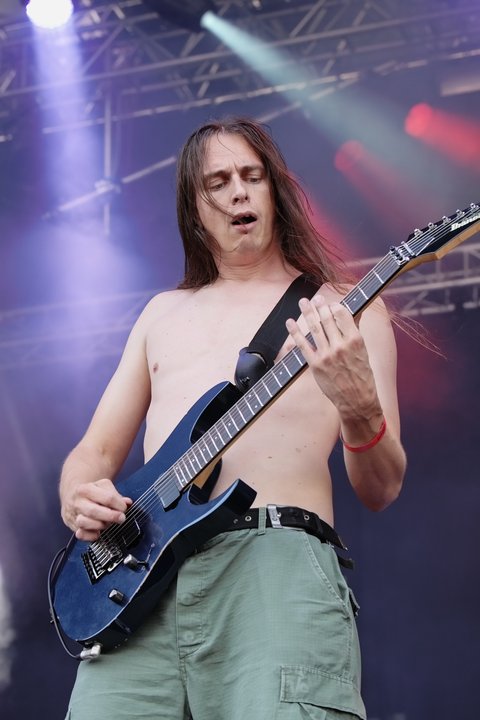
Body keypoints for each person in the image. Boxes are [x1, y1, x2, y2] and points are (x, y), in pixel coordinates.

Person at [59, 116, 406, 720]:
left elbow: (382, 487)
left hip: (274, 566)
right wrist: (77, 496)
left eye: (252, 176)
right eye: (217, 183)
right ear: (195, 208)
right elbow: (94, 453)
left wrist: (359, 406)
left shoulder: (346, 312)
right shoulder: (161, 314)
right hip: (142, 581)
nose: (239, 192)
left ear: (276, 190)